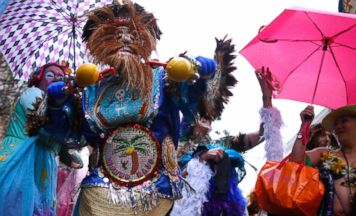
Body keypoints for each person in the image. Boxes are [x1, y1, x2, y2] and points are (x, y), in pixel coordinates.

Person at [72, 1, 219, 215]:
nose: (124, 39)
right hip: (99, 191)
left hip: (153, 192)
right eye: (115, 33)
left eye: (131, 32)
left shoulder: (163, 77)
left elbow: (202, 92)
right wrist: (60, 103)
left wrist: (197, 67)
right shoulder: (94, 88)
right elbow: (74, 136)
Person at [171, 66, 283, 216]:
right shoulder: (174, 146)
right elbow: (174, 181)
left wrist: (266, 99)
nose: (206, 115)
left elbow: (259, 136)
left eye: (208, 114)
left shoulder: (220, 144)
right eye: (199, 110)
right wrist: (202, 158)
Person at [0, 62, 84, 215]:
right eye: (50, 75)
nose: (55, 79)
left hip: (44, 164)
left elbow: (75, 159)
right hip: (20, 157)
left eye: (60, 78)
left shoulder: (63, 107)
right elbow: (43, 119)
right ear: (39, 79)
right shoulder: (33, 93)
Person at [290, 105, 356, 215]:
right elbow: (295, 160)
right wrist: (304, 125)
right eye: (336, 124)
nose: (338, 126)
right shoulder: (323, 153)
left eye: (344, 121)